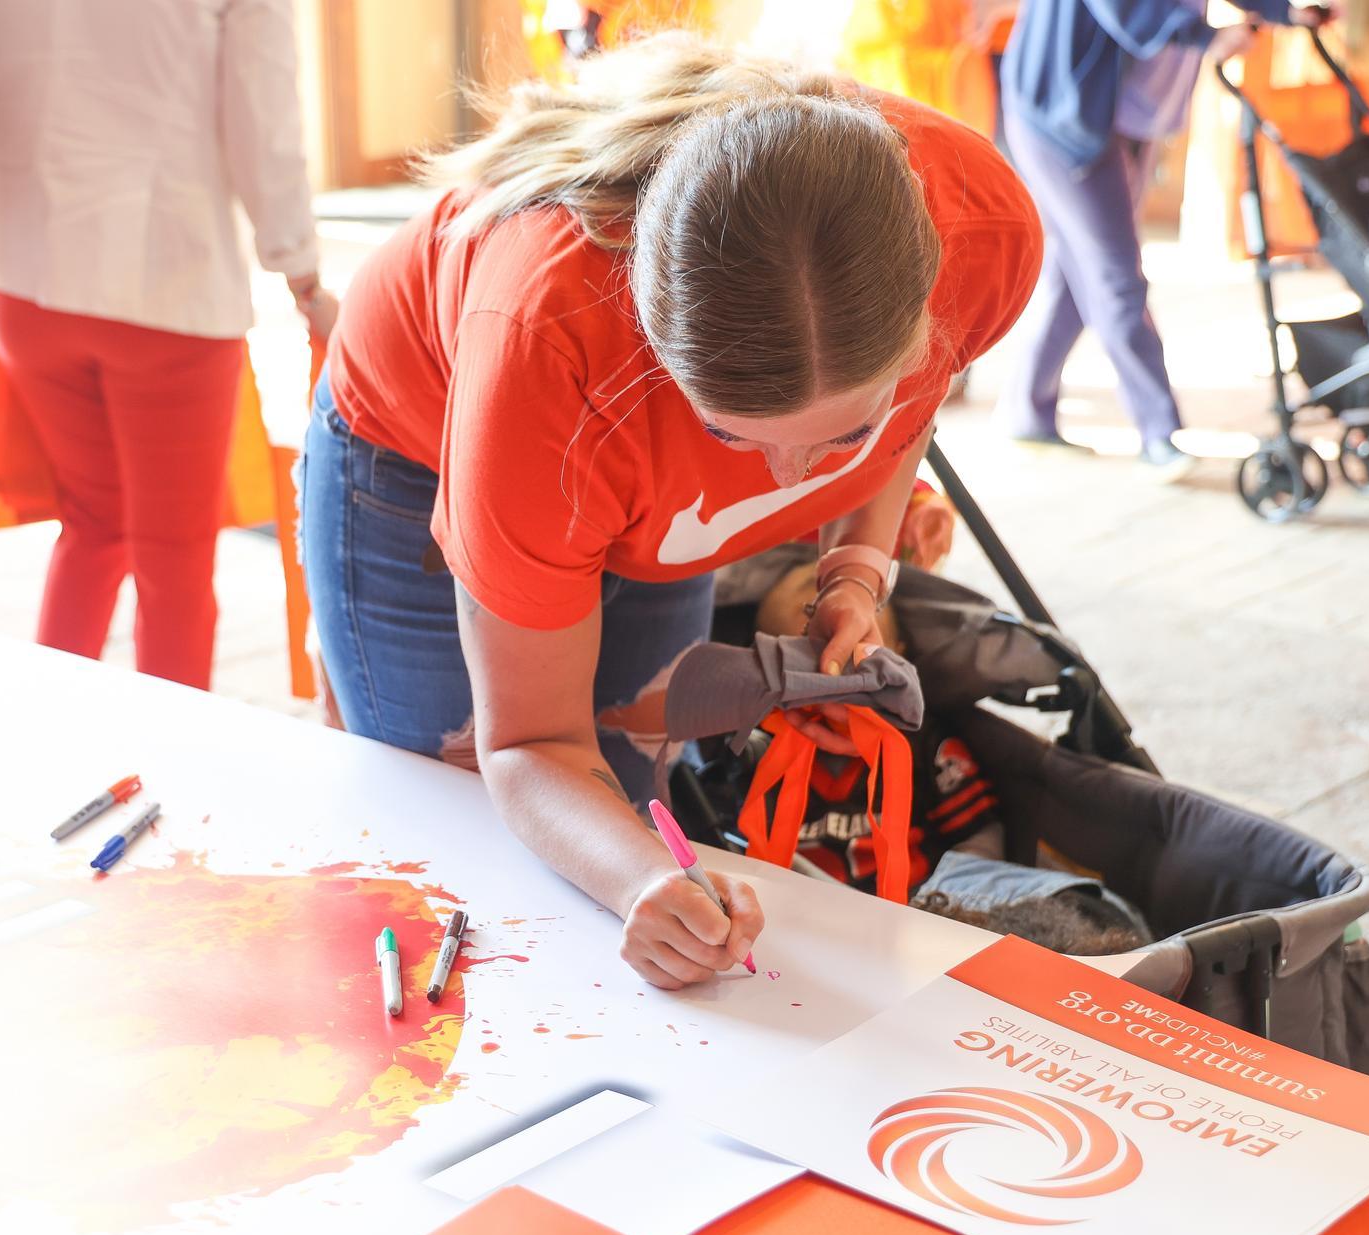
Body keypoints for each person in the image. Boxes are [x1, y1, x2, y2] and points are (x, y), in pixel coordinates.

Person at [303, 37, 1041, 990]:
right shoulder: (549, 349)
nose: (786, 481)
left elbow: (917, 400)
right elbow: (530, 743)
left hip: (613, 450)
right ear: (653, 354)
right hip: (416, 442)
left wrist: (858, 565)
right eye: (735, 438)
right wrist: (641, 878)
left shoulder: (985, 233)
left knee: (632, 778)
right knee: (456, 837)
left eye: (845, 428)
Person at [0, 0, 336, 691]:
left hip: (19, 266)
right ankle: (169, 771)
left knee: (92, 521)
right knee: (173, 561)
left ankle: (57, 728)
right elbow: (263, 118)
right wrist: (299, 267)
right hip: (161, 271)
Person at [994, 0, 1328, 469]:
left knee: (1080, 272)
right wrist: (1205, 36)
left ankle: (1027, 412)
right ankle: (1159, 433)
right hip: (1063, 116)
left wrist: (1284, 11)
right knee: (1116, 279)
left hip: (1123, 116)